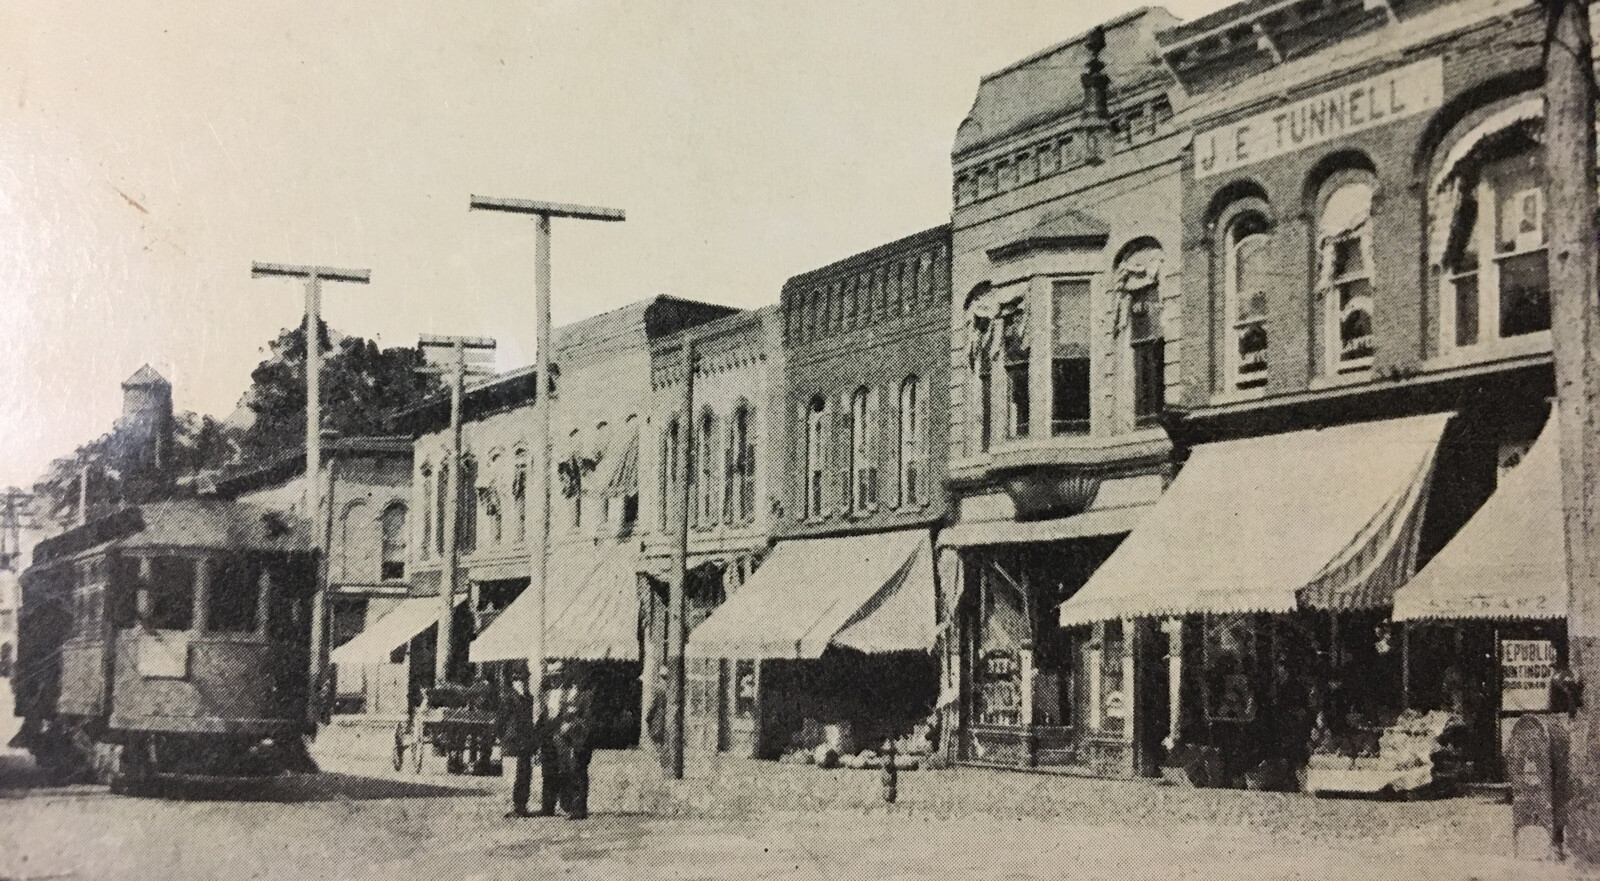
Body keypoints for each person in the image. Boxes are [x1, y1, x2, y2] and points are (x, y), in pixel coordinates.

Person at [496, 667, 543, 818]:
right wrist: (503, 737)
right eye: (519, 679)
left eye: (525, 679)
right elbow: (501, 720)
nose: (523, 682)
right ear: (514, 680)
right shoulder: (507, 696)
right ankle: (515, 806)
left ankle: (522, 805)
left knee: (525, 773)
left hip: (526, 740)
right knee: (514, 774)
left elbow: (529, 720)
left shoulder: (528, 697)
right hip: (513, 740)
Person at [550, 668, 595, 819]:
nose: (574, 683)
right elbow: (560, 715)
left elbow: (587, 720)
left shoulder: (587, 696)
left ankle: (579, 808)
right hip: (565, 739)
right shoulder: (564, 695)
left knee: (579, 772)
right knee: (566, 771)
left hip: (580, 739)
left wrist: (572, 724)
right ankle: (567, 804)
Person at [645, 666, 669, 770]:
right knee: (664, 739)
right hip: (669, 715)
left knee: (656, 738)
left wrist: (648, 716)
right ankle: (664, 759)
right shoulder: (671, 688)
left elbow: (653, 704)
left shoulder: (659, 688)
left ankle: (663, 759)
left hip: (659, 716)